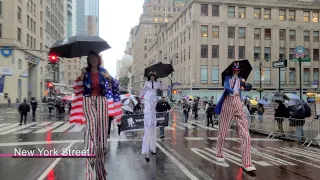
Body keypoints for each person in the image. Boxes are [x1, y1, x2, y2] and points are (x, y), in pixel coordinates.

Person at [77, 51, 113, 179]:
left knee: (102, 138)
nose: (93, 60)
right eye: (91, 58)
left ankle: (100, 168)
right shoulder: (85, 72)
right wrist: (80, 76)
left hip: (102, 101)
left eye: (95, 58)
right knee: (91, 126)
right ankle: (90, 155)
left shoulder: (104, 71)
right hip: (88, 100)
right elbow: (77, 86)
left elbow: (113, 86)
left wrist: (109, 77)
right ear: (89, 60)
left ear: (98, 60)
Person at [214, 62, 256, 172]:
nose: (237, 71)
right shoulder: (227, 78)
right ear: (232, 70)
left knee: (245, 132)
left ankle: (247, 162)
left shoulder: (241, 79)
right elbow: (226, 87)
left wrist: (245, 83)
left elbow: (247, 87)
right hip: (228, 102)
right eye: (235, 70)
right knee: (222, 130)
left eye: (238, 70)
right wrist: (233, 91)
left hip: (238, 102)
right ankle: (219, 153)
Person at [139, 71, 163, 162]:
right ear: (149, 77)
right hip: (148, 102)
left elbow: (163, 87)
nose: (152, 77)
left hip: (153, 102)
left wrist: (164, 84)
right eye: (151, 76)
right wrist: (140, 97)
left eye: (154, 76)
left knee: (153, 125)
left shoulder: (157, 84)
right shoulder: (147, 83)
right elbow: (143, 91)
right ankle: (146, 150)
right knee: (148, 125)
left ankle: (153, 148)